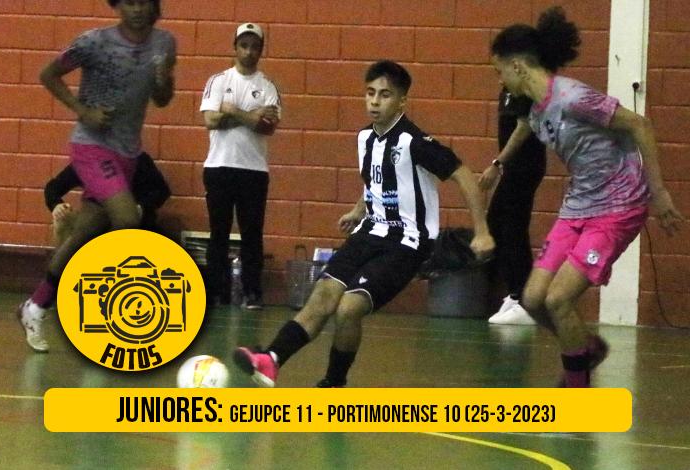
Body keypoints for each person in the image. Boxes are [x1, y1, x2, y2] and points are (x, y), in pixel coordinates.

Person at [233, 60, 495, 387]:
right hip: (369, 232)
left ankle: (334, 382)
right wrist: (359, 210)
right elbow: (375, 181)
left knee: (348, 308)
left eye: (385, 95)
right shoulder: (364, 138)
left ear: (401, 101)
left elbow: (463, 175)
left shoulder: (414, 142)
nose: (375, 101)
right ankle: (271, 359)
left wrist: (482, 231)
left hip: (406, 243)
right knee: (322, 295)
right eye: (370, 93)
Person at [490, 7, 683, 386]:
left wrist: (658, 191)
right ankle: (585, 348)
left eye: (499, 71)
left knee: (558, 299)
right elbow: (526, 128)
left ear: (517, 66)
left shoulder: (574, 98)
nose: (500, 80)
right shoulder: (537, 110)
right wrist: (498, 163)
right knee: (533, 299)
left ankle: (576, 387)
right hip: (578, 206)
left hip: (618, 206)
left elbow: (640, 125)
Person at [17, 0, 176, 353]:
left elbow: (163, 99)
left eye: (143, 2)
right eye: (129, 2)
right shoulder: (95, 42)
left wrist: (163, 80)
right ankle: (107, 312)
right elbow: (48, 74)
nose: (137, 10)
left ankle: (35, 307)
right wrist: (83, 111)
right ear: (118, 5)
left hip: (128, 153)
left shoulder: (164, 43)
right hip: (92, 146)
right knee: (127, 220)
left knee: (81, 236)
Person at [200, 22, 281, 310]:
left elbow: (268, 126)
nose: (248, 52)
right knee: (218, 232)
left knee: (252, 234)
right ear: (235, 47)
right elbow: (210, 120)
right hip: (219, 166)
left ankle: (252, 292)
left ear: (261, 50)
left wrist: (233, 110)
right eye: (244, 46)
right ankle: (217, 292)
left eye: (254, 47)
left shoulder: (268, 86)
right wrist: (252, 116)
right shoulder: (218, 81)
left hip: (254, 171)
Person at [479, 88, 547, 325]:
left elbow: (524, 127)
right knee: (496, 225)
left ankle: (524, 301)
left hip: (524, 167)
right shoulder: (507, 89)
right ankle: (516, 293)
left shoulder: (524, 90)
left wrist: (497, 163)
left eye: (502, 71)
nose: (500, 77)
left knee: (513, 229)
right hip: (513, 169)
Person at [45, 151, 171, 243]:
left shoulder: (139, 159)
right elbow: (53, 187)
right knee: (63, 217)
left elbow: (162, 190)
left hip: (134, 221)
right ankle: (67, 267)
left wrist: (141, 207)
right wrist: (56, 205)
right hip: (98, 221)